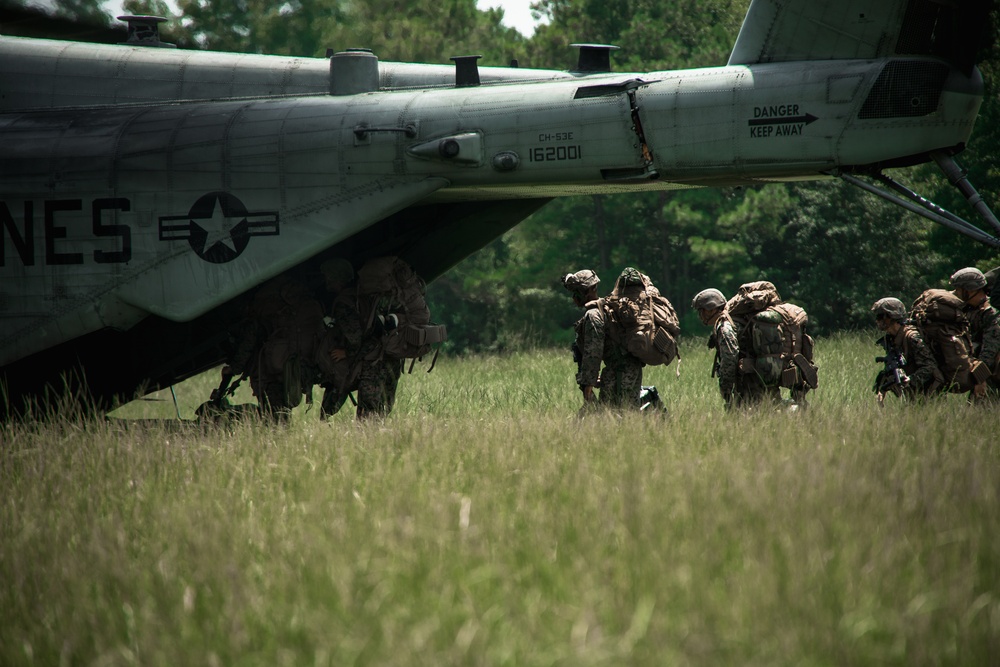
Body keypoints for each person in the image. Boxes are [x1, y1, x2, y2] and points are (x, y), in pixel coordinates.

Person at [224, 272, 325, 421]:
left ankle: (280, 439)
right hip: (301, 365)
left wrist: (234, 368)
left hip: (272, 370)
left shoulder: (262, 305)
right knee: (280, 413)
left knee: (276, 418)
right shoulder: (300, 299)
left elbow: (248, 343)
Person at [317, 257, 404, 420]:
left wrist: (347, 352)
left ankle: (368, 444)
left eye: (328, 276)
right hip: (389, 356)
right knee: (382, 412)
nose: (326, 281)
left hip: (371, 363)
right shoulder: (365, 295)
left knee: (368, 418)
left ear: (337, 278)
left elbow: (355, 338)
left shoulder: (344, 302)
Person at [563, 269, 643, 411]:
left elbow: (593, 352)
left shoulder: (593, 315)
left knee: (612, 418)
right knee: (628, 416)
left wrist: (588, 383)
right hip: (630, 369)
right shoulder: (607, 307)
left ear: (590, 290)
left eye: (577, 293)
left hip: (618, 373)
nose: (574, 298)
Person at [871, 297, 942, 404]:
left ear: (892, 317)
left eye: (880, 316)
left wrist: (910, 380)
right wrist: (883, 388)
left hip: (929, 395)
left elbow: (930, 366)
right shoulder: (891, 338)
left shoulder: (912, 337)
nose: (877, 320)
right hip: (912, 396)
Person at [950, 267, 1000, 400]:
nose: (957, 293)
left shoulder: (991, 314)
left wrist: (979, 379)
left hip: (992, 374)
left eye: (959, 290)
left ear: (971, 290)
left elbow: (989, 353)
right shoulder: (969, 309)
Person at [691, 288, 740, 410]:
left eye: (701, 311)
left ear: (711, 309)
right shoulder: (729, 322)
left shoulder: (724, 327)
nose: (700, 316)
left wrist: (725, 389)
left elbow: (729, 358)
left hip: (750, 383)